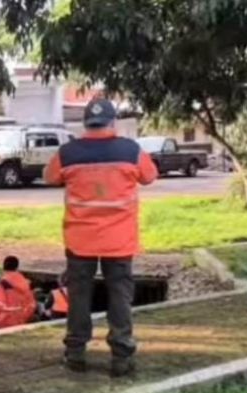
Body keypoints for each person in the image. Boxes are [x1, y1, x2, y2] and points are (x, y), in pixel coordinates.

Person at [44, 98, 158, 377]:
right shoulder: (130, 150)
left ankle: (75, 354)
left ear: (85, 123)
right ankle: (121, 357)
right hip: (119, 241)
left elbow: (49, 177)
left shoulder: (68, 152)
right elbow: (150, 176)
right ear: (112, 122)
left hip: (80, 240)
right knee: (119, 296)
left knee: (79, 296)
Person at [0, 256, 36, 330]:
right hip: (21, 322)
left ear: (3, 268)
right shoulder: (26, 283)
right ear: (17, 268)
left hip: (4, 323)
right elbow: (32, 305)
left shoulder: (1, 284)